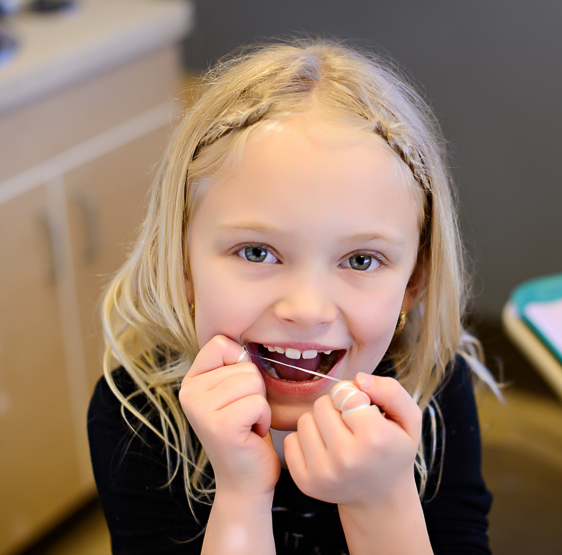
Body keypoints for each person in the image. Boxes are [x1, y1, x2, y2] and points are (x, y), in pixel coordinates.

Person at [87, 38, 497, 555]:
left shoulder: (436, 391)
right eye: (257, 252)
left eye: (361, 261)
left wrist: (381, 502)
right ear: (181, 264)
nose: (306, 309)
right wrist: (240, 496)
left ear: (414, 283)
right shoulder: (135, 413)